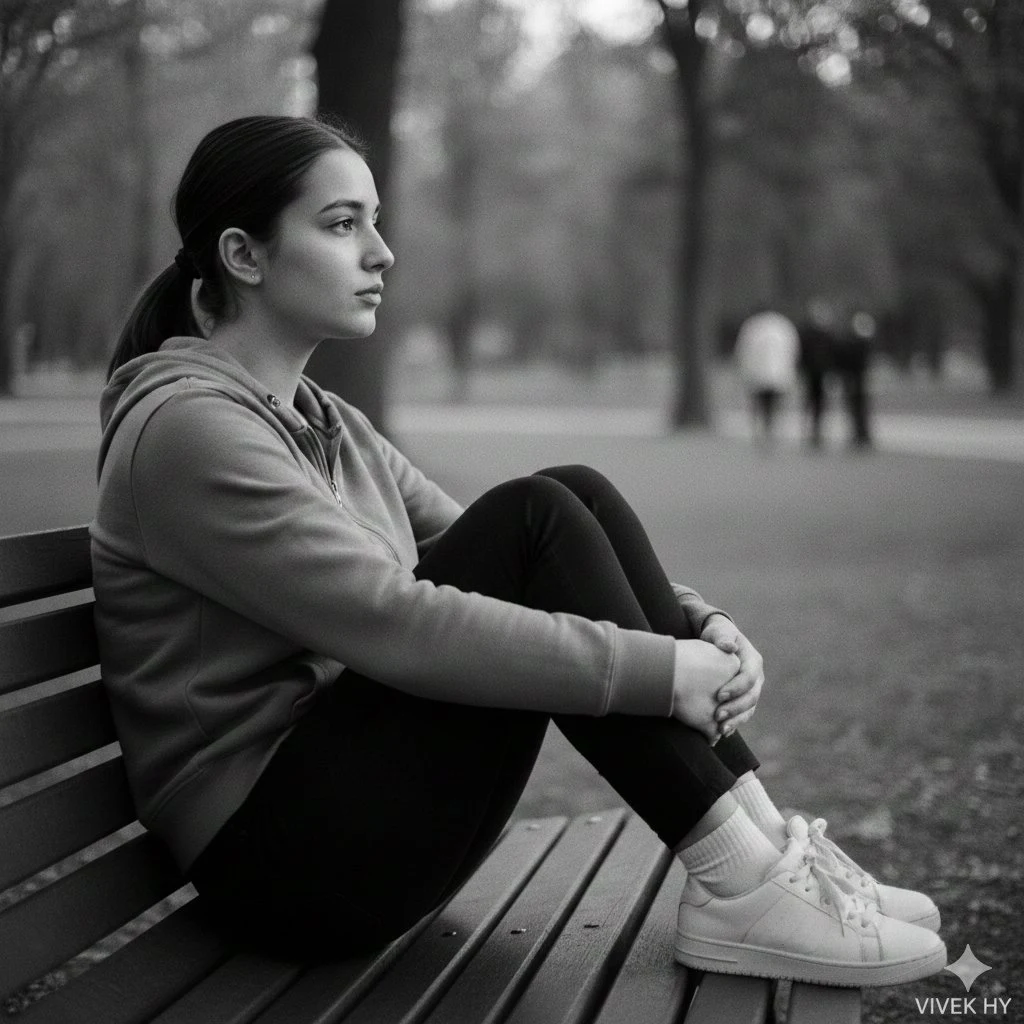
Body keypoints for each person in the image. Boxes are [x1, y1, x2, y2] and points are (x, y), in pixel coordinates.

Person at [91, 115, 945, 986]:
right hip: (281, 867)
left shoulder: (323, 419)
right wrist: (663, 669)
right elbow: (397, 624)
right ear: (244, 254)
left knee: (571, 491)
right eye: (343, 223)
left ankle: (764, 858)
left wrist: (701, 626)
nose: (382, 252)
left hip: (349, 812)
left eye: (375, 220)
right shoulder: (188, 431)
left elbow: (534, 554)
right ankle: (743, 883)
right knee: (537, 512)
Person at [733, 308, 799, 448]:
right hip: (773, 373)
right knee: (770, 404)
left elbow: (742, 350)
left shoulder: (753, 326)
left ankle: (764, 430)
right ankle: (768, 430)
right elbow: (793, 350)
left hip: (760, 373)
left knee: (762, 404)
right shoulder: (782, 326)